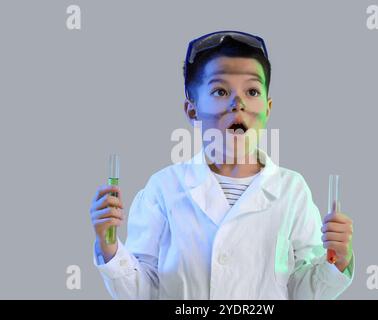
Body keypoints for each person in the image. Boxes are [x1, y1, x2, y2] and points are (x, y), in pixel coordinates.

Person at [89, 30, 354, 299]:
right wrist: (109, 246)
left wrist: (338, 259)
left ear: (267, 108)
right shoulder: (163, 188)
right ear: (192, 110)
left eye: (252, 91)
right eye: (220, 91)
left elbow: (304, 291)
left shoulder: (292, 190)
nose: (237, 104)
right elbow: (141, 292)